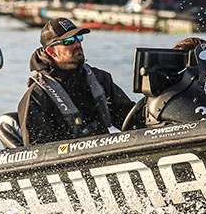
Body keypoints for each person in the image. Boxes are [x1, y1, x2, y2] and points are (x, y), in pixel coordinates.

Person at [17, 18, 136, 146]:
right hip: (66, 156)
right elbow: (37, 149)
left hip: (105, 150)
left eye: (79, 38)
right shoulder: (37, 96)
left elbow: (131, 120)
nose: (77, 44)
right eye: (69, 41)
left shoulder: (99, 79)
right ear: (52, 52)